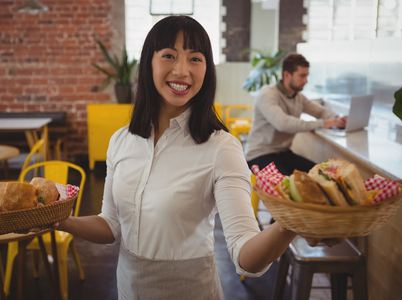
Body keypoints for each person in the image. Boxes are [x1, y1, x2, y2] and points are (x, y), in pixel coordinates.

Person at [46, 17, 343, 299]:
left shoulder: (222, 148)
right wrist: (59, 220)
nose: (182, 70)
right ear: (148, 62)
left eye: (195, 58)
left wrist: (288, 225)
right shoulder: (121, 140)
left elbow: (247, 258)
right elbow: (110, 226)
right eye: (169, 55)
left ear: (207, 69)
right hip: (128, 291)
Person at [244, 53, 348, 175]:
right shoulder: (267, 95)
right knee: (289, 187)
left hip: (284, 153)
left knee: (322, 175)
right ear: (287, 75)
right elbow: (283, 123)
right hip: (259, 155)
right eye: (302, 76)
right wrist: (323, 124)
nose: (306, 80)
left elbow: (320, 111)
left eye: (307, 76)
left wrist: (338, 119)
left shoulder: (298, 97)